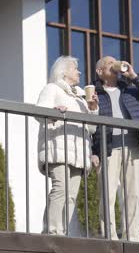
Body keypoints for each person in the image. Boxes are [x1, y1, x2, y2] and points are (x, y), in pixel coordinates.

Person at [91, 56, 139, 241]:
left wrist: (134, 75)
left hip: (133, 146)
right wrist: (92, 152)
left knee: (132, 194)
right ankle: (109, 238)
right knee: (107, 195)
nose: (114, 66)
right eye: (109, 64)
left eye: (115, 63)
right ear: (100, 71)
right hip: (107, 148)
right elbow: (87, 122)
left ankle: (132, 238)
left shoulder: (129, 89)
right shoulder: (93, 92)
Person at [36, 56, 99, 235]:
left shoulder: (80, 97)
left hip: (78, 152)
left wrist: (92, 108)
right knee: (60, 188)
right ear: (63, 72)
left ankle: (62, 232)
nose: (78, 72)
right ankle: (51, 231)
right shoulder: (52, 88)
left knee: (71, 195)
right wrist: (53, 113)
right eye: (74, 68)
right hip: (58, 147)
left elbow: (92, 128)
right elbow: (39, 113)